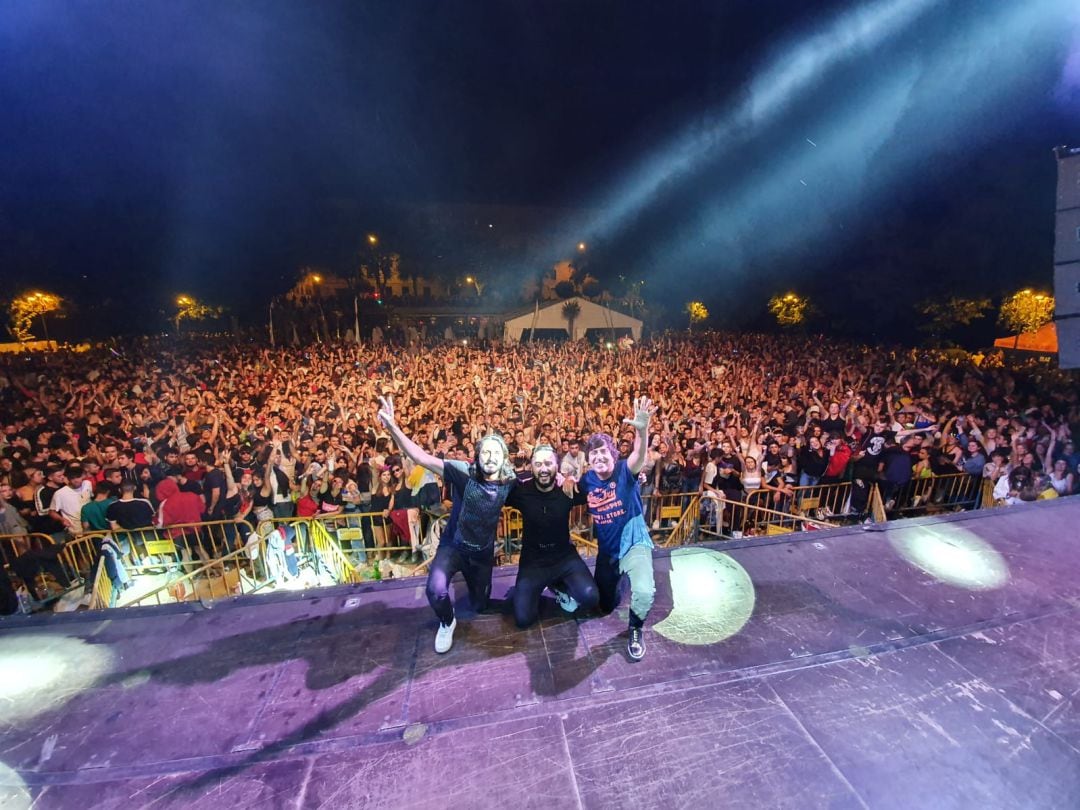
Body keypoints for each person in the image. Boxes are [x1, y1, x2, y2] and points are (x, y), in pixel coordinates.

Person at [378, 394, 516, 653]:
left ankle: (477, 596)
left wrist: (562, 478)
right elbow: (421, 458)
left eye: (496, 452)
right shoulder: (463, 471)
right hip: (453, 546)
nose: (490, 457)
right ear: (476, 456)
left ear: (505, 458)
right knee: (436, 590)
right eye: (485, 451)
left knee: (480, 606)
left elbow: (541, 481)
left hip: (482, 554)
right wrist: (393, 428)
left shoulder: (509, 481)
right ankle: (447, 622)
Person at [573, 396, 657, 661]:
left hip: (634, 544)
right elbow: (572, 484)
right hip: (607, 551)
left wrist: (641, 430)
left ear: (613, 456)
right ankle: (619, 580)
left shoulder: (624, 471)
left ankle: (635, 628)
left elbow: (639, 455)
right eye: (594, 453)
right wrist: (564, 478)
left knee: (644, 591)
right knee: (605, 605)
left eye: (603, 452)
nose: (599, 457)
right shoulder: (587, 480)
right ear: (588, 460)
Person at [505, 444, 598, 629]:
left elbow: (597, 483)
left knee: (591, 597)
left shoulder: (567, 490)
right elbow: (493, 487)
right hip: (533, 562)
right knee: (523, 619)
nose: (544, 469)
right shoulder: (521, 492)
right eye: (538, 464)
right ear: (531, 466)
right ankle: (545, 585)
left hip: (564, 558)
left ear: (557, 465)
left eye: (548, 463)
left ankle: (558, 586)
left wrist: (635, 478)